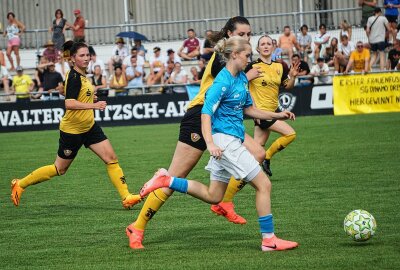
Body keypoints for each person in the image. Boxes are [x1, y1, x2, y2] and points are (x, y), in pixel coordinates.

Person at [134, 36, 298, 252]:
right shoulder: (222, 82)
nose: (250, 60)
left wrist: (277, 115)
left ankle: (167, 180)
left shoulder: (240, 78)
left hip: (229, 141)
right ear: (234, 54)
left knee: (214, 196)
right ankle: (269, 240)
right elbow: (205, 113)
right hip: (225, 143)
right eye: (247, 55)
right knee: (264, 185)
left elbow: (249, 109)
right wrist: (210, 143)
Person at [10, 42, 141, 209]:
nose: (86, 58)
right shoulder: (73, 77)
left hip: (89, 127)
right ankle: (20, 184)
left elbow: (71, 93)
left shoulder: (82, 75)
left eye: (88, 55)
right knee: (59, 169)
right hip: (72, 131)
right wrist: (94, 105)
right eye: (82, 55)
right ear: (73, 59)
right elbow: (70, 103)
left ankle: (126, 197)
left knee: (111, 159)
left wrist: (89, 99)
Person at [245, 35, 298, 177]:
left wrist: (292, 76)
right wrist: (253, 109)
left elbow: (288, 86)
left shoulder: (280, 66)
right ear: (257, 48)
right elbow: (245, 88)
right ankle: (267, 158)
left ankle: (239, 177)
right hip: (261, 113)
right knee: (290, 134)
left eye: (269, 43)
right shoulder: (252, 66)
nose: (266, 46)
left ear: (274, 47)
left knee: (256, 152)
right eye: (263, 44)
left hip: (273, 111)